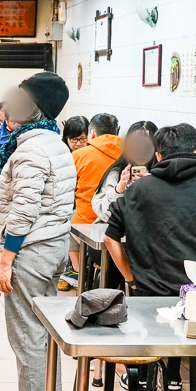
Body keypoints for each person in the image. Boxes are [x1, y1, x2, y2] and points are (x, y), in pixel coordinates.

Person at [103, 123, 196, 391]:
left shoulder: (139, 190)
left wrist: (131, 277)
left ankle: (145, 388)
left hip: (150, 290)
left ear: (160, 155)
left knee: (149, 339)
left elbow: (109, 238)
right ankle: (176, 380)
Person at [0, 72, 77, 391]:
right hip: (54, 244)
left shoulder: (31, 150)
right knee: (42, 328)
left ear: (34, 107)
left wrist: (6, 261)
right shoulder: (53, 142)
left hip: (33, 249)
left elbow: (24, 209)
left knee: (26, 331)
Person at [61, 113, 123, 289]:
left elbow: (66, 190)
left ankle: (77, 270)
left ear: (93, 134)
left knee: (68, 218)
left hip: (88, 227)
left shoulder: (80, 155)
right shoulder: (129, 153)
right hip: (121, 227)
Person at [90, 120, 157, 225]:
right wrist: (119, 189)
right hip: (113, 234)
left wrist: (153, 186)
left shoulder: (161, 176)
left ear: (155, 149)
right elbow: (103, 211)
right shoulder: (116, 174)